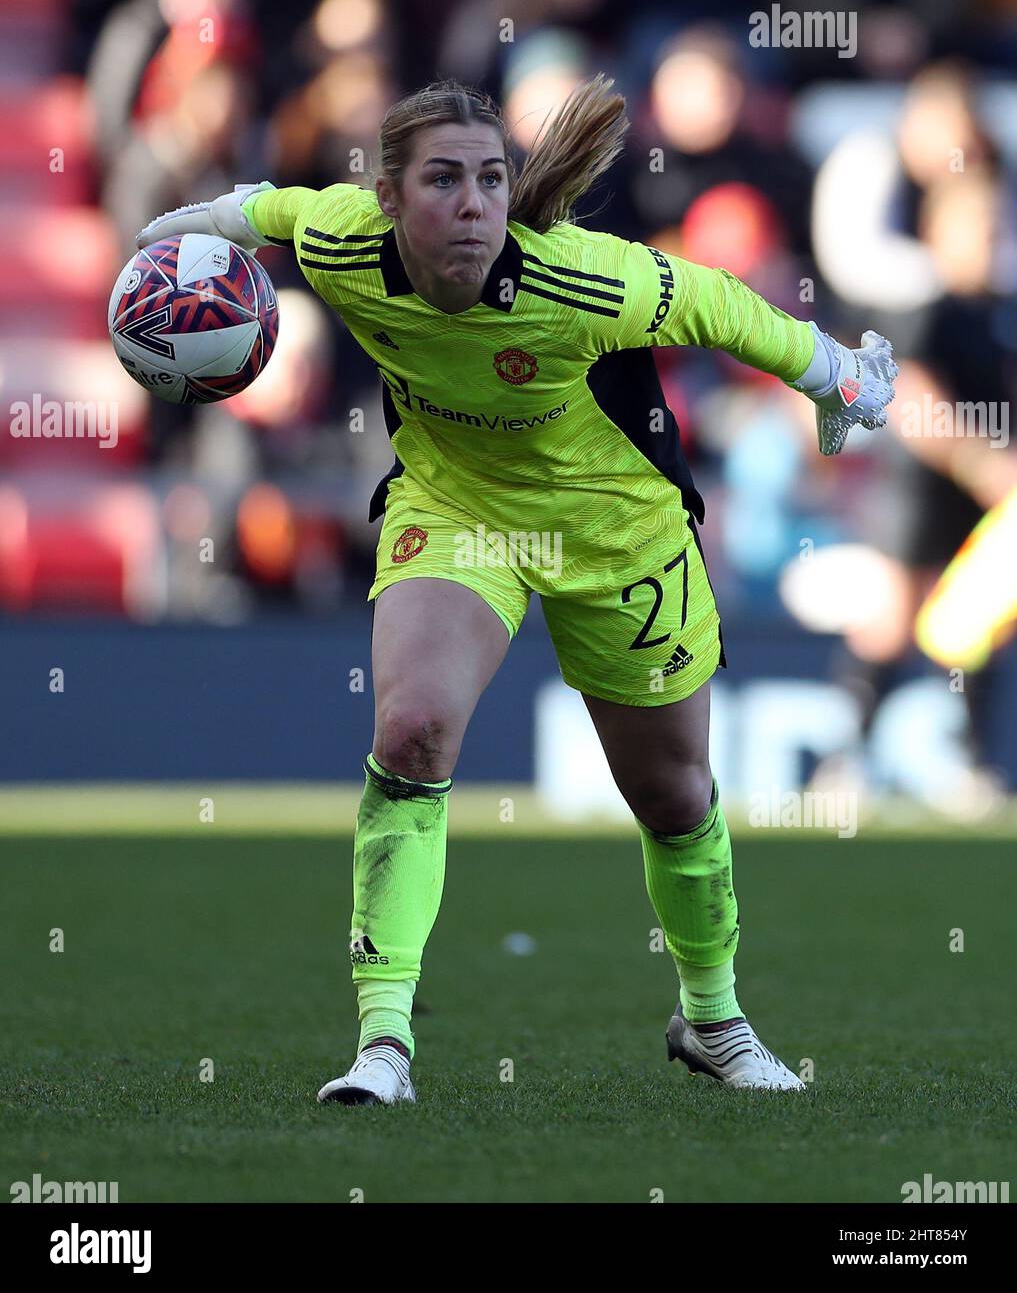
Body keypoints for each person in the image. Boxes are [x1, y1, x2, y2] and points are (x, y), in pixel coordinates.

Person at [137, 75, 897, 1100]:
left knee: (674, 798)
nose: (475, 203)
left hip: (617, 530)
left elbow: (718, 304)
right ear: (390, 199)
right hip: (457, 513)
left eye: (491, 179)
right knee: (410, 733)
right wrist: (193, 228)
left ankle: (712, 1019)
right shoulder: (340, 243)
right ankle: (384, 1044)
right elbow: (265, 209)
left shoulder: (584, 279)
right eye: (443, 180)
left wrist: (834, 374)